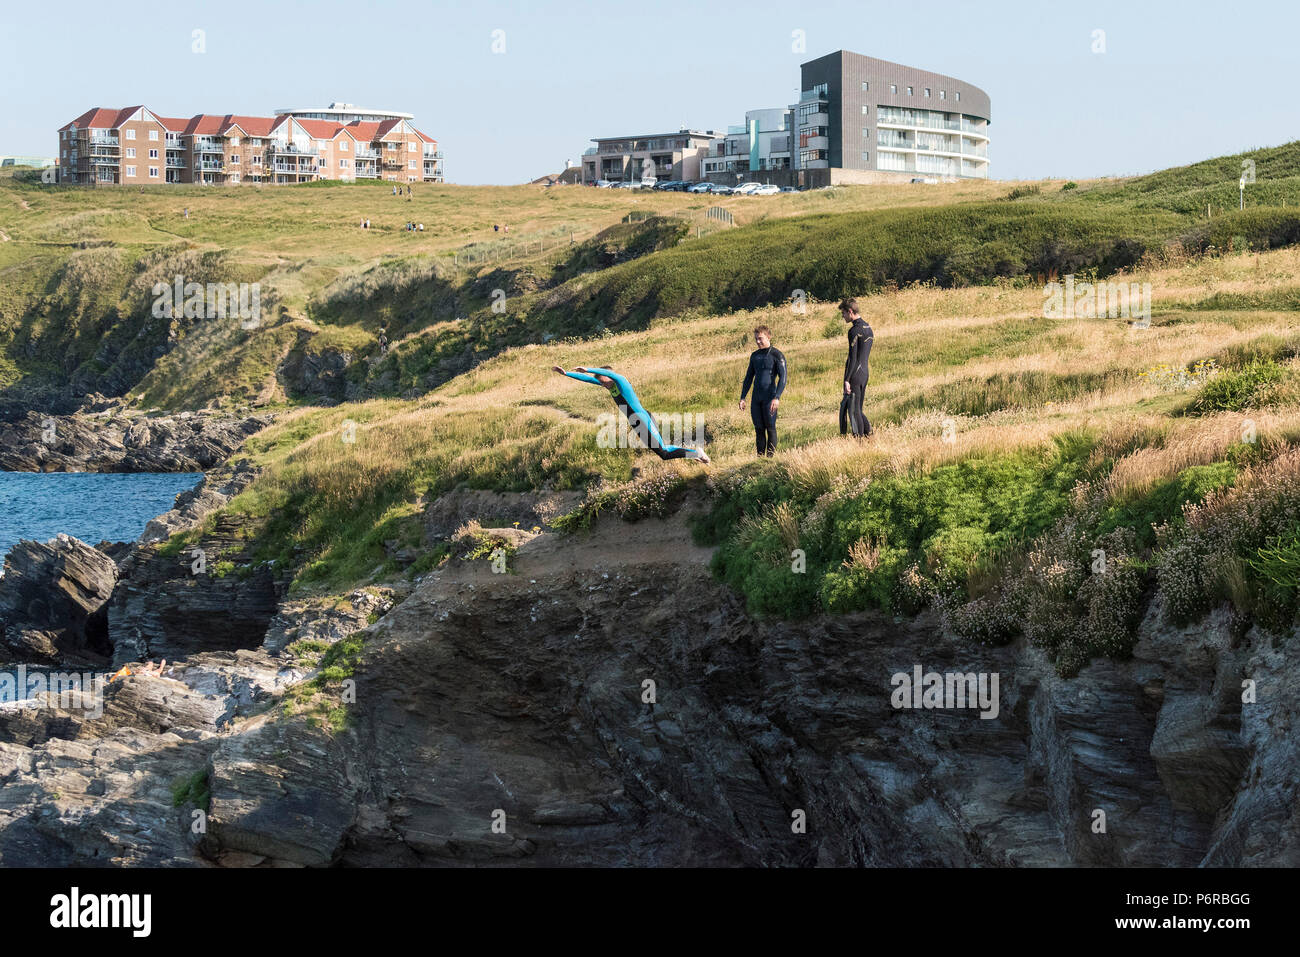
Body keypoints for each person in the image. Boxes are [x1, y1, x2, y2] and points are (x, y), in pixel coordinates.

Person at [553, 365, 710, 462]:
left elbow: (614, 375)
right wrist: (566, 374)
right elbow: (588, 380)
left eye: (604, 381)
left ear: (609, 376)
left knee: (663, 452)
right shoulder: (610, 386)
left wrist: (589, 369)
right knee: (662, 451)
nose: (603, 384)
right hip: (636, 422)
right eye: (601, 382)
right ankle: (693, 454)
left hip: (642, 419)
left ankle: (695, 453)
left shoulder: (621, 383)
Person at [739, 324, 787, 456]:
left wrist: (777, 397)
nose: (758, 341)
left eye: (760, 338)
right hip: (756, 398)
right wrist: (743, 397)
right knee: (759, 429)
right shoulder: (754, 356)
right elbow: (748, 378)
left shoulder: (777, 355)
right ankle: (760, 458)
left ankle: (770, 458)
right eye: (756, 339)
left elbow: (783, 378)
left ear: (768, 337)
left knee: (770, 428)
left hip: (769, 397)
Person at [839, 298, 874, 438]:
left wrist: (847, 379)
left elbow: (852, 358)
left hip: (855, 375)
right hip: (864, 373)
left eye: (843, 313)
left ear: (850, 311)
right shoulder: (868, 327)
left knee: (854, 411)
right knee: (858, 409)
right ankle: (869, 435)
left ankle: (859, 441)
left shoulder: (854, 331)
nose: (843, 316)